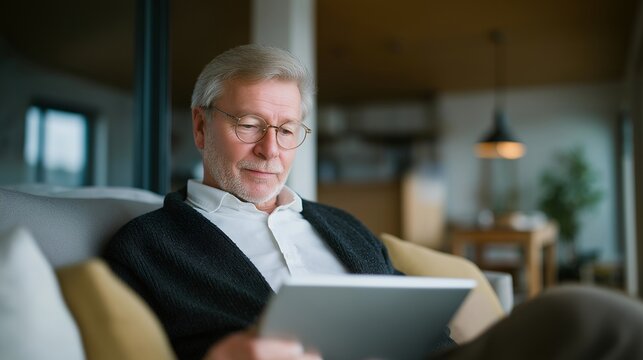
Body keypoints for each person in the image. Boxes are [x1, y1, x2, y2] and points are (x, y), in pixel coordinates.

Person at [103, 44, 643, 360]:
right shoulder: (148, 246)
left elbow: (423, 325)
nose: (271, 149)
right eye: (249, 125)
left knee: (590, 317)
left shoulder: (341, 224)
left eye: (288, 129)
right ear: (200, 126)